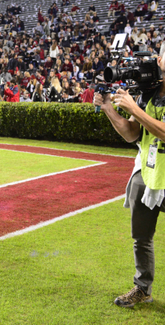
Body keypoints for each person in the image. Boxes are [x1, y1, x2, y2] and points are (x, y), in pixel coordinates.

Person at [93, 44, 165, 309]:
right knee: (142, 237)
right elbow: (133, 134)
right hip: (148, 173)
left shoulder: (142, 101)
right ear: (160, 59)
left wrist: (135, 109)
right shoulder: (150, 92)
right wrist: (109, 107)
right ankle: (142, 288)